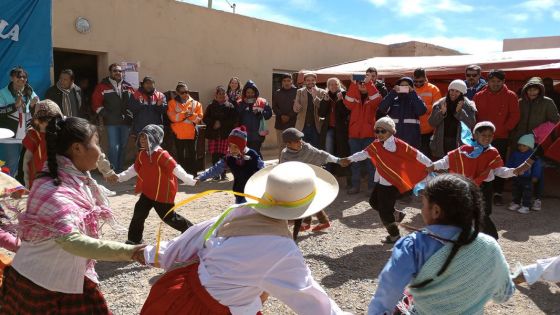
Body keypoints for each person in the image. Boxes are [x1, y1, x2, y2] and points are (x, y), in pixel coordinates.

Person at [138, 161, 350, 315]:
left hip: (174, 293)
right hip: (206, 310)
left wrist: (147, 253)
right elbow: (313, 302)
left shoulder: (237, 212)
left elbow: (186, 243)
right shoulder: (282, 250)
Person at [0, 117, 145, 314]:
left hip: (70, 279)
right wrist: (130, 251)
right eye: (96, 143)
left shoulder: (72, 180)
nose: (100, 151)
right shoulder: (54, 191)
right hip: (40, 286)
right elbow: (71, 241)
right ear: (77, 148)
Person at [367, 174, 514, 315]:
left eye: (423, 204)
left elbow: (385, 298)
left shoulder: (413, 245)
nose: (422, 210)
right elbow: (504, 294)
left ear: (436, 210)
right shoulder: (489, 246)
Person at [427, 121, 531, 239]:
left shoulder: (492, 153)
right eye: (484, 135)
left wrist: (514, 171)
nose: (487, 138)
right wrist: (433, 166)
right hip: (466, 187)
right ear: (475, 135)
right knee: (464, 213)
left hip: (485, 188)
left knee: (483, 215)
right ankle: (463, 238)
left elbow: (499, 171)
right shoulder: (464, 150)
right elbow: (446, 161)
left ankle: (490, 240)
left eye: (490, 136)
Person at [347, 117, 432, 244]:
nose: (379, 134)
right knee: (374, 202)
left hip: (391, 184)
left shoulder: (399, 145)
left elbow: (417, 155)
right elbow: (363, 154)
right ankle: (397, 215)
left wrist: (431, 164)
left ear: (391, 132)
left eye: (383, 131)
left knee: (384, 211)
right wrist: (349, 159)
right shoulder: (376, 145)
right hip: (382, 180)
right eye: (377, 131)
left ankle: (395, 235)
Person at [115, 124, 196, 245]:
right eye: (141, 137)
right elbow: (133, 170)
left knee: (169, 217)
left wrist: (191, 180)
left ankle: (192, 231)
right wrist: (118, 178)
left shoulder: (161, 154)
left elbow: (176, 168)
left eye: (145, 138)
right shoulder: (142, 154)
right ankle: (134, 240)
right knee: (139, 213)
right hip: (148, 192)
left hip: (162, 194)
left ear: (154, 139)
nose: (142, 140)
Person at [279, 127, 349, 238]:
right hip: (295, 183)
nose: (300, 142)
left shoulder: (307, 148)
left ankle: (312, 223)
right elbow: (282, 170)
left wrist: (338, 160)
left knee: (306, 201)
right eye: (296, 141)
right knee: (305, 201)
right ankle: (313, 222)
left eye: (300, 139)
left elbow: (322, 155)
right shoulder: (285, 155)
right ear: (288, 143)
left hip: (310, 179)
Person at [511, 77, 559, 210]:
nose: (532, 92)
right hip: (520, 142)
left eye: (535, 90)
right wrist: (514, 138)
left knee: (537, 171)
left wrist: (540, 132)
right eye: (530, 89)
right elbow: (514, 121)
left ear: (540, 90)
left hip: (538, 143)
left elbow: (555, 121)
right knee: (520, 169)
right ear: (525, 90)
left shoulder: (548, 102)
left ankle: (537, 198)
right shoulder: (520, 102)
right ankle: (519, 199)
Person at [473, 69, 520, 206]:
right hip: (480, 138)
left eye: (499, 81)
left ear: (503, 81)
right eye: (493, 81)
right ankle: (480, 191)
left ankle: (498, 193)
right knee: (481, 164)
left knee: (498, 164)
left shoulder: (511, 96)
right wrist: (477, 133)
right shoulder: (478, 96)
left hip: (500, 137)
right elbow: (474, 116)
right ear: (488, 81)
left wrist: (503, 129)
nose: (495, 84)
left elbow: (515, 115)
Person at [197, 126, 264, 204]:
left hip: (253, 194)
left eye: (236, 147)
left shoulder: (253, 155)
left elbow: (263, 171)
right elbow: (216, 169)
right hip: (239, 193)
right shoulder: (228, 158)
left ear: (242, 146)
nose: (232, 150)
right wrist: (201, 177)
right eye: (230, 146)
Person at [343, 73, 382, 195]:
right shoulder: (354, 96)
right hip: (354, 136)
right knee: (355, 162)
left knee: (371, 164)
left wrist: (369, 83)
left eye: (364, 83)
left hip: (369, 136)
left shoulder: (373, 97)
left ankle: (371, 188)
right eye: (361, 83)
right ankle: (355, 187)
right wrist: (353, 85)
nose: (363, 85)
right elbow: (348, 103)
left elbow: (377, 99)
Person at [92, 63, 135, 172]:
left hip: (126, 122)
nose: (118, 73)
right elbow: (96, 103)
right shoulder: (102, 86)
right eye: (115, 71)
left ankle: (120, 169)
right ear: (110, 72)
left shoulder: (128, 86)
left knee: (123, 146)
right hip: (111, 122)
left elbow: (134, 102)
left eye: (120, 71)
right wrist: (106, 115)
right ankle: (113, 169)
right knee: (113, 146)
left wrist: (130, 115)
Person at [0, 66, 39, 176]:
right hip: (10, 136)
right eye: (18, 76)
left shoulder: (31, 92)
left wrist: (33, 106)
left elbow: (37, 111)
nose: (22, 79)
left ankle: (19, 188)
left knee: (24, 164)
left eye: (24, 77)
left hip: (26, 134)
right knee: (11, 164)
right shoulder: (2, 93)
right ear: (11, 78)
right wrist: (14, 106)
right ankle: (7, 190)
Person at [428, 80, 477, 159]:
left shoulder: (468, 105)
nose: (453, 93)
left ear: (462, 93)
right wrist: (441, 113)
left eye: (457, 91)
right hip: (441, 144)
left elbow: (471, 124)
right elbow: (431, 123)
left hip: (460, 144)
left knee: (457, 169)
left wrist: (460, 112)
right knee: (441, 169)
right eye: (452, 90)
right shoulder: (440, 103)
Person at [21, 100, 63, 188]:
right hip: (37, 179)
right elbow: (26, 160)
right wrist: (27, 181)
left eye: (50, 119)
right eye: (42, 119)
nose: (45, 123)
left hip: (59, 179)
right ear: (36, 120)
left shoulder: (63, 134)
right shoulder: (33, 135)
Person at [378, 76, 427, 149]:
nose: (404, 88)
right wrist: (393, 93)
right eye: (402, 86)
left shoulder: (415, 98)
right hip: (393, 139)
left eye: (407, 86)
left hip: (411, 140)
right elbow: (382, 108)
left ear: (411, 87)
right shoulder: (393, 99)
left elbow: (421, 111)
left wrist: (412, 93)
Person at [167, 81, 203, 176]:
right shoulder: (172, 103)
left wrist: (191, 116)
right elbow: (172, 117)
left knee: (192, 153)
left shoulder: (196, 104)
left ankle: (193, 173)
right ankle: (181, 174)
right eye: (182, 92)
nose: (185, 94)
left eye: (187, 91)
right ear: (177, 92)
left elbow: (199, 118)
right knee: (180, 155)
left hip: (191, 133)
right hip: (178, 133)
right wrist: (184, 114)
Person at [203, 86, 239, 180]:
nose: (221, 96)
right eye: (220, 94)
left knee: (225, 155)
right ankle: (215, 174)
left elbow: (233, 120)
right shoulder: (211, 106)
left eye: (223, 94)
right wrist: (213, 123)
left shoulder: (230, 106)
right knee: (215, 155)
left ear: (226, 95)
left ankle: (223, 173)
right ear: (216, 95)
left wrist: (221, 123)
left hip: (225, 135)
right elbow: (205, 118)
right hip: (214, 135)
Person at [319, 77, 351, 180]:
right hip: (329, 129)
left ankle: (342, 173)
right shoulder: (326, 96)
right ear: (328, 86)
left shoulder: (345, 95)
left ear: (339, 85)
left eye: (335, 84)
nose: (333, 86)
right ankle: (328, 173)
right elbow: (321, 113)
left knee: (341, 151)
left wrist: (341, 101)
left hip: (341, 129)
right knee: (329, 150)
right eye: (331, 84)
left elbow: (345, 113)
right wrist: (325, 101)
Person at [506, 134, 542, 214]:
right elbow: (510, 163)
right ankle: (516, 203)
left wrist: (535, 176)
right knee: (516, 191)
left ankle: (526, 206)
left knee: (527, 192)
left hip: (527, 178)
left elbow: (537, 166)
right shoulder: (515, 154)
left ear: (529, 146)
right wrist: (507, 172)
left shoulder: (533, 156)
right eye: (520, 145)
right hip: (516, 176)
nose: (521, 147)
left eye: (524, 146)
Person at [237, 80, 272, 158]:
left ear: (255, 92)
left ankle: (259, 169)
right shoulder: (240, 102)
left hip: (257, 135)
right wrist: (244, 105)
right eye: (248, 92)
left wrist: (260, 114)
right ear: (245, 93)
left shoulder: (262, 101)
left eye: (252, 92)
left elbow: (269, 114)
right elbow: (236, 115)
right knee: (245, 155)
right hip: (243, 135)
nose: (250, 94)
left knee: (255, 154)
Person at [413, 68, 442, 158]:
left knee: (426, 156)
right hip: (412, 129)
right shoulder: (409, 88)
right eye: (416, 81)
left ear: (425, 78)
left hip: (428, 129)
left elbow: (438, 107)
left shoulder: (433, 89)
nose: (418, 83)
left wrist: (422, 108)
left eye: (420, 81)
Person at [293, 72, 327, 148]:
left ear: (315, 81)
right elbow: (295, 110)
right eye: (308, 80)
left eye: (312, 80)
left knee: (315, 149)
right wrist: (296, 106)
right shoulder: (300, 92)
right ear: (305, 81)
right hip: (302, 126)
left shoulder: (322, 92)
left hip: (316, 126)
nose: (310, 82)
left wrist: (315, 98)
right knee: (301, 149)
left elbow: (323, 108)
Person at [272, 73, 298, 155]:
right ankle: (281, 164)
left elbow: (298, 107)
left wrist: (289, 116)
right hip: (280, 124)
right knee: (281, 147)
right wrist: (281, 115)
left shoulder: (297, 92)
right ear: (282, 82)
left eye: (288, 80)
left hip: (294, 124)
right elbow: (274, 107)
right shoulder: (277, 92)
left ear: (291, 81)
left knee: (294, 147)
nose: (286, 83)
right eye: (284, 81)